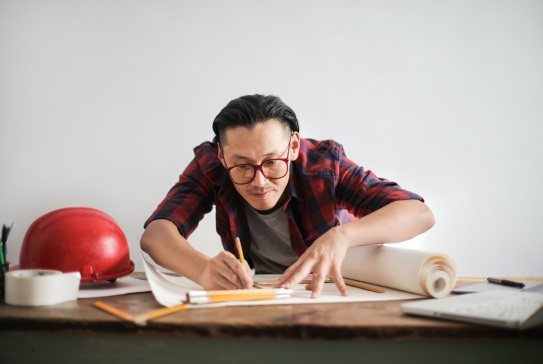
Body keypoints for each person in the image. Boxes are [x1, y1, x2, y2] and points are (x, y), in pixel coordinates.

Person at [140, 94, 435, 298]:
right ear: (222, 154)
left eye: (271, 162)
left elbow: (418, 213)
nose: (259, 181)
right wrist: (202, 269)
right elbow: (156, 235)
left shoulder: (323, 167)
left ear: (293, 146)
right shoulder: (212, 166)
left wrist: (342, 237)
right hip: (262, 292)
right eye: (242, 165)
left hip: (331, 290)